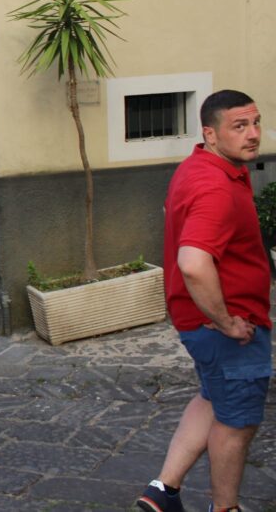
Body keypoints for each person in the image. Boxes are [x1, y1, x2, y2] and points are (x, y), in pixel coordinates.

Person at [135, 91, 271, 512]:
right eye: (239, 126)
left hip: (199, 322)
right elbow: (193, 263)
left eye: (255, 123)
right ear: (210, 133)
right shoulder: (215, 187)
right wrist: (227, 321)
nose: (253, 134)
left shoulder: (199, 167)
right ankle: (225, 508)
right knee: (237, 423)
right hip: (228, 329)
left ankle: (163, 492)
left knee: (213, 399)